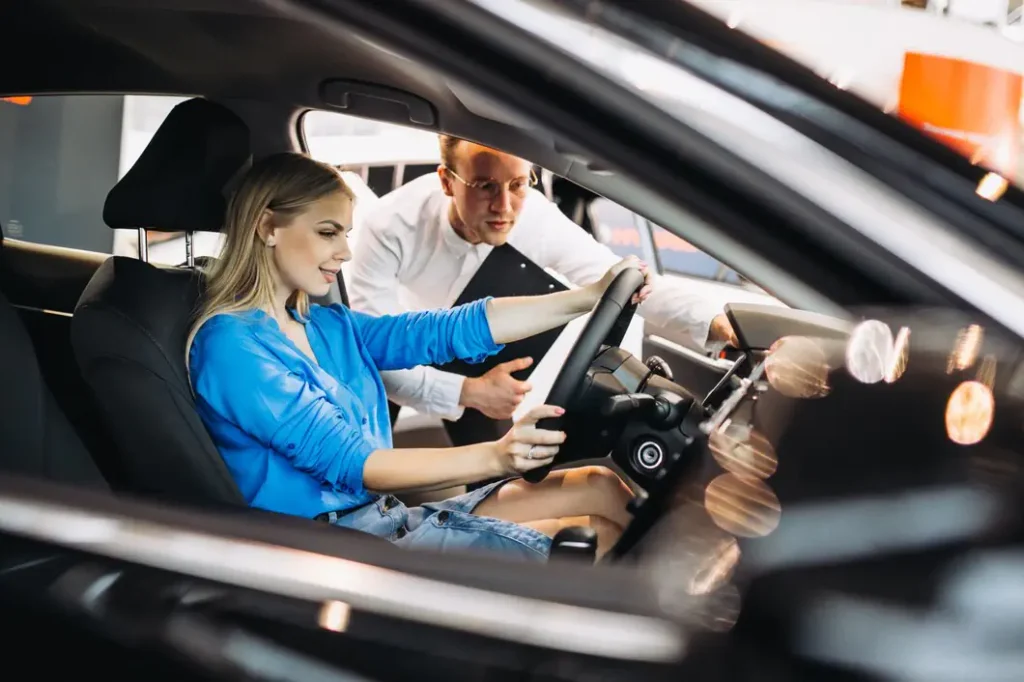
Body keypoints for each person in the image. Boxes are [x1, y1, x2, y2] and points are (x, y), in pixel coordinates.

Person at [186, 152, 651, 561]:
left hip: (384, 519)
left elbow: (446, 330)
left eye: (346, 233)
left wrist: (588, 297)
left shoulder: (327, 325)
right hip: (335, 549)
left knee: (600, 485)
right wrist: (500, 456)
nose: (345, 251)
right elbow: (357, 463)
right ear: (268, 227)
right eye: (328, 232)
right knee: (597, 542)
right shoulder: (232, 346)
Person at [348, 135, 738, 426]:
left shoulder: (535, 217)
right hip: (416, 370)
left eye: (518, 184)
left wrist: (719, 323)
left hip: (504, 377)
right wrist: (467, 392)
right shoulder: (390, 226)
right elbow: (375, 347)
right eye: (485, 186)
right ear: (447, 183)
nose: (504, 207)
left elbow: (620, 280)